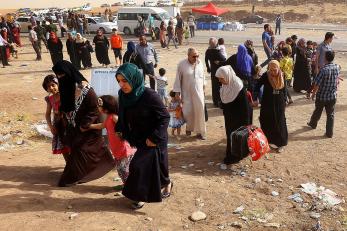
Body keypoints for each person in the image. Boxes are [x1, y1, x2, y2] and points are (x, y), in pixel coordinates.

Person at [116, 63, 171, 209]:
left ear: (134, 78)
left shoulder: (149, 95)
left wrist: (154, 138)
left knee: (139, 165)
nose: (122, 84)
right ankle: (167, 183)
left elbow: (165, 117)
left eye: (125, 80)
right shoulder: (123, 94)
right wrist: (119, 128)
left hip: (155, 138)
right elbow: (122, 112)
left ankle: (139, 197)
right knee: (156, 167)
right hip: (139, 136)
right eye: (119, 81)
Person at [52, 60, 115, 187]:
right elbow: (66, 106)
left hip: (88, 127)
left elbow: (94, 108)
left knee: (82, 150)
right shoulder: (65, 87)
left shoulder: (85, 89)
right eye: (58, 76)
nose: (61, 78)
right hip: (74, 127)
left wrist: (85, 125)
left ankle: (78, 175)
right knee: (78, 150)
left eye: (62, 75)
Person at [83, 95, 136, 184]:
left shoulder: (114, 117)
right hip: (118, 150)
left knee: (124, 170)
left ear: (106, 109)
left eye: (99, 106)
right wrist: (89, 126)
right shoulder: (108, 118)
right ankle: (128, 186)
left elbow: (124, 125)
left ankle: (131, 187)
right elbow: (101, 125)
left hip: (124, 149)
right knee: (121, 170)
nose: (97, 107)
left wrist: (121, 133)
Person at [215, 65, 252, 164]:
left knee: (237, 135)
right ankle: (232, 153)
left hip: (239, 117)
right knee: (230, 134)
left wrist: (247, 122)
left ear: (227, 76)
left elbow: (245, 106)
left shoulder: (238, 86)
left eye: (221, 78)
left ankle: (236, 156)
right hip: (229, 116)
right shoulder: (226, 85)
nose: (220, 81)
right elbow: (225, 101)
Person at [254, 60, 288, 153]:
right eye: (271, 70)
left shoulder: (282, 75)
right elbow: (257, 86)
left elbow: (284, 89)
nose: (273, 72)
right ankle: (268, 141)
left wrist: (285, 99)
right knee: (267, 120)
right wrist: (255, 97)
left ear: (278, 68)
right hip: (267, 102)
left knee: (279, 121)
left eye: (275, 70)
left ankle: (281, 143)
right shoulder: (266, 75)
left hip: (279, 102)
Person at [173, 48, 206, 140]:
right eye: (194, 56)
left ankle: (200, 132)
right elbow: (177, 79)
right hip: (186, 93)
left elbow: (203, 77)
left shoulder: (200, 64)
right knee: (188, 112)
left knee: (200, 111)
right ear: (188, 56)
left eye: (197, 56)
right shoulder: (182, 65)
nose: (196, 58)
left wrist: (204, 87)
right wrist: (177, 93)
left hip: (199, 93)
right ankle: (189, 128)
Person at [307, 51, 340, 138]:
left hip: (322, 96)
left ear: (325, 58)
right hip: (332, 96)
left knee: (318, 110)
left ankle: (313, 124)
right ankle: (329, 133)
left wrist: (313, 94)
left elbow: (317, 84)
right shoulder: (337, 67)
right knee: (330, 115)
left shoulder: (323, 70)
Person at [42, 75, 70, 161]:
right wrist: (51, 126)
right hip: (58, 126)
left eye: (53, 85)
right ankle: (69, 165)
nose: (51, 88)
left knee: (72, 146)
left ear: (58, 84)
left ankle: (75, 165)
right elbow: (47, 114)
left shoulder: (66, 95)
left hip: (69, 124)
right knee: (63, 147)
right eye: (48, 86)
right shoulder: (50, 99)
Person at [205, 37, 226, 107]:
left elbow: (206, 60)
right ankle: (219, 101)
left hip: (213, 70)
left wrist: (208, 67)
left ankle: (215, 101)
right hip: (219, 71)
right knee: (220, 86)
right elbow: (224, 59)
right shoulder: (217, 52)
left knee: (214, 86)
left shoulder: (208, 51)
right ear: (216, 44)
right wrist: (220, 62)